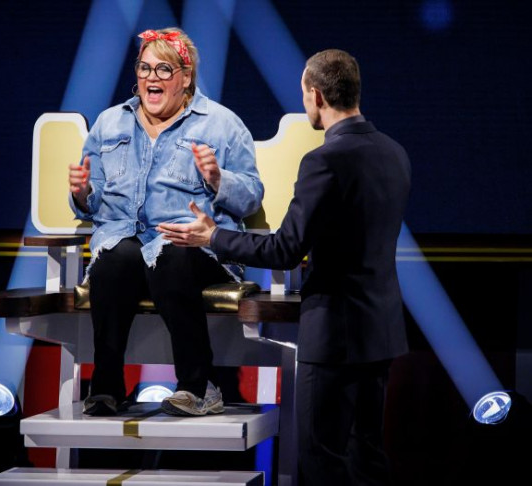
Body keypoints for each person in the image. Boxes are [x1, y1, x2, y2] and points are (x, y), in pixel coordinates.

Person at [157, 49, 411, 484]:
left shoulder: (324, 160)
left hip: (333, 336)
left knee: (321, 460)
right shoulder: (394, 153)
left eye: (304, 94)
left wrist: (213, 237)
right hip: (382, 330)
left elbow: (285, 250)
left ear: (316, 95)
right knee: (368, 457)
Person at [68, 27, 264, 417]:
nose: (151, 78)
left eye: (163, 69)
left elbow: (252, 195)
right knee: (112, 262)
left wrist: (218, 179)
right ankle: (106, 386)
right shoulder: (110, 123)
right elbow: (92, 203)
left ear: (185, 77)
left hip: (195, 247)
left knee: (171, 257)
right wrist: (82, 193)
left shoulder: (221, 124)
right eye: (144, 68)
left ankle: (198, 386)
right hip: (127, 241)